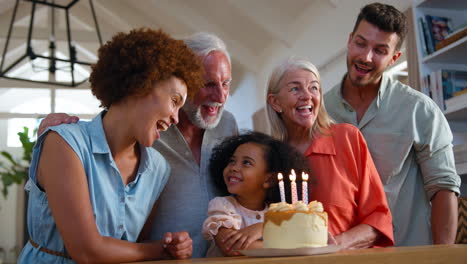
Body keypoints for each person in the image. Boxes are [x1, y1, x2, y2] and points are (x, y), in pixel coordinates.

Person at [37, 32, 238, 258]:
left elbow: (134, 243)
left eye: (226, 83)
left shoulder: (156, 167)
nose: (175, 117)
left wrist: (170, 247)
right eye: (174, 102)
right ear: (141, 85)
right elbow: (88, 251)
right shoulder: (66, 142)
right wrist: (160, 250)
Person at [323, 3, 461, 246]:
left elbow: (443, 189)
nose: (366, 57)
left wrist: (443, 258)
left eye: (380, 50)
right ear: (349, 40)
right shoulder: (321, 112)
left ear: (394, 58)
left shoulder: (419, 109)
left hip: (406, 251)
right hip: (339, 255)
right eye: (361, 43)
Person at [266, 57, 394, 249]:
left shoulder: (347, 138)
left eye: (314, 88)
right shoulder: (267, 156)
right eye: (295, 88)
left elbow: (378, 218)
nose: (307, 96)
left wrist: (337, 244)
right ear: (275, 102)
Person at [202, 131, 311, 257]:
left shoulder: (277, 213)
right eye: (232, 161)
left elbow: (302, 241)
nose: (234, 167)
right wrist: (277, 238)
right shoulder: (223, 206)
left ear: (269, 180)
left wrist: (263, 227)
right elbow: (231, 247)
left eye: (246, 163)